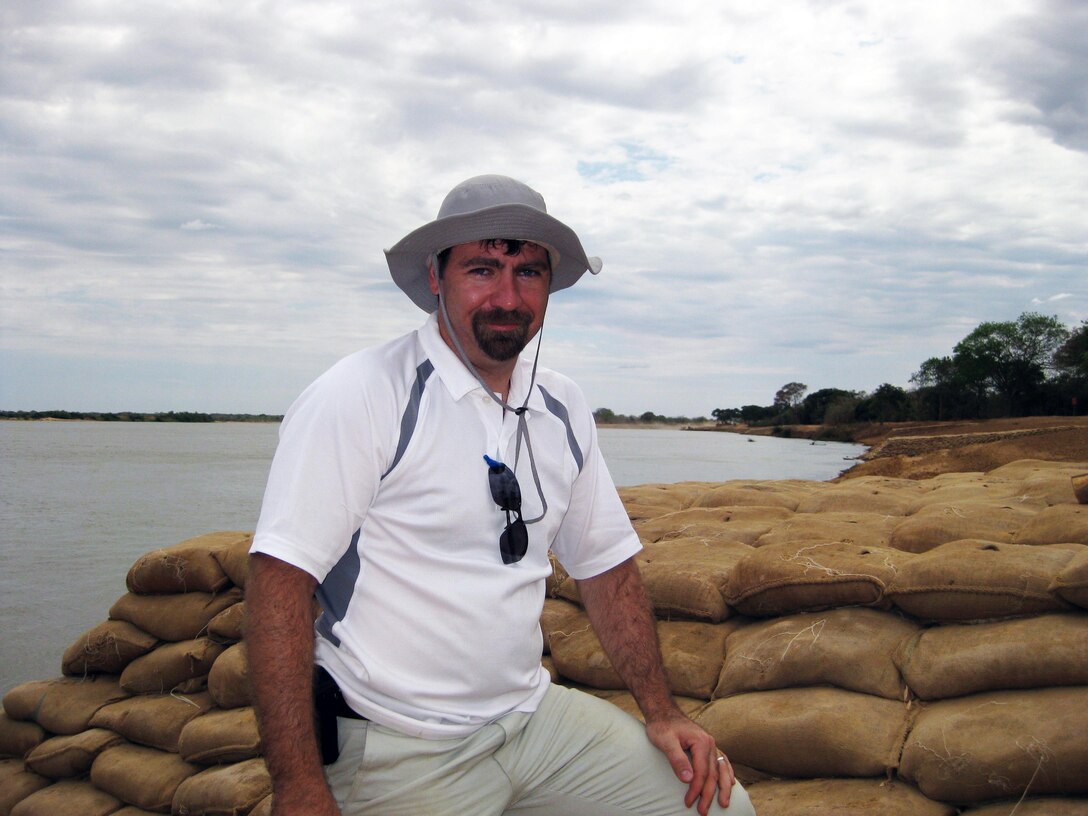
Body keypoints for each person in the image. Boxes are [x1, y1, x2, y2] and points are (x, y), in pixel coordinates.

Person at [246, 174, 756, 816]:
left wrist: (661, 713)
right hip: (399, 737)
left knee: (721, 809)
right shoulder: (362, 395)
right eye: (482, 269)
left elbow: (607, 568)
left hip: (530, 720)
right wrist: (297, 788)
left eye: (529, 273)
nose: (507, 297)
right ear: (436, 276)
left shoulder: (561, 407)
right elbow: (278, 585)